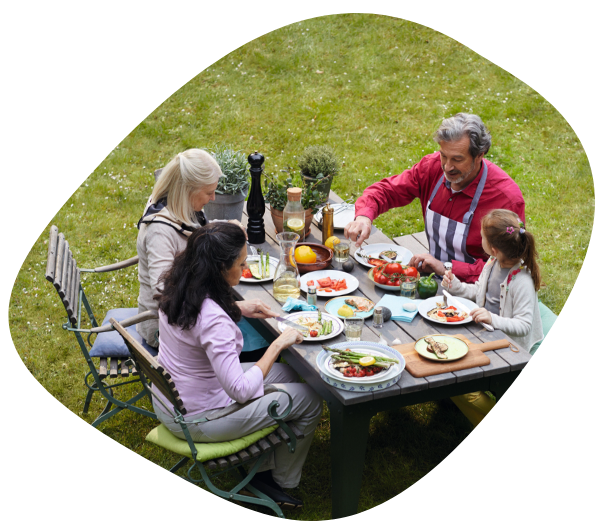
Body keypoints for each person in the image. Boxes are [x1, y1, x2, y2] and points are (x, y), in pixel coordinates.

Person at [151, 222, 323, 509]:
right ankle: (280, 483)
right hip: (199, 419)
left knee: (293, 373)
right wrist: (277, 345)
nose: (244, 270)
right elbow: (241, 390)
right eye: (241, 263)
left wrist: (239, 307)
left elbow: (199, 320)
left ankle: (263, 463)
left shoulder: (178, 286)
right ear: (219, 266)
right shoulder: (215, 321)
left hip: (173, 399)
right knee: (311, 399)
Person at [344, 113, 525, 283]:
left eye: (457, 159)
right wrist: (364, 216)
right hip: (432, 278)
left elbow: (507, 266)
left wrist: (447, 267)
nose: (447, 167)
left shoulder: (505, 198)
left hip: (481, 290)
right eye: (443, 155)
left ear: (479, 156)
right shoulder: (431, 168)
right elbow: (387, 190)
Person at [136, 148, 275, 357]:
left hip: (194, 307)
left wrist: (223, 228)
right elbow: (166, 295)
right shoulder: (160, 231)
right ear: (187, 189)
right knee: (259, 341)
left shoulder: (181, 205)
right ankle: (244, 382)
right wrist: (234, 307)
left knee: (261, 330)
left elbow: (195, 236)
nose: (212, 198)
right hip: (167, 327)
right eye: (209, 192)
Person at [441, 209, 544, 426]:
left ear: (494, 249)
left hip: (508, 348)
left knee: (453, 378)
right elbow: (481, 291)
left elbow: (524, 325)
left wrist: (491, 318)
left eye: (482, 238)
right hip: (486, 334)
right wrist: (457, 287)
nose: (480, 240)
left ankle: (497, 422)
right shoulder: (492, 263)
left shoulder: (522, 280)